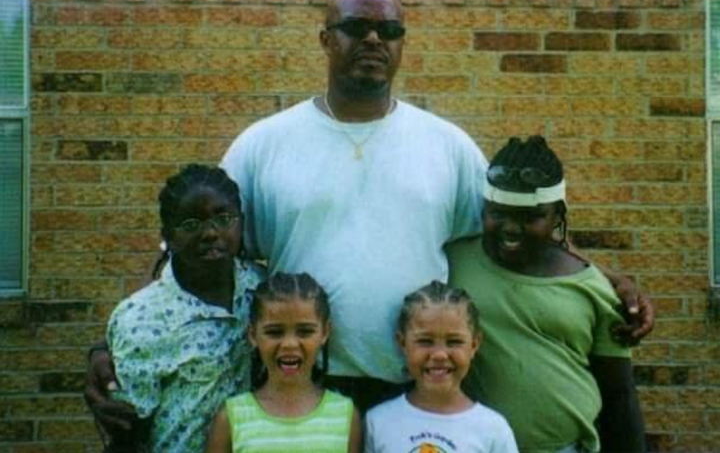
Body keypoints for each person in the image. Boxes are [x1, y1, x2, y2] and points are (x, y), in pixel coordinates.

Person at [85, 0, 654, 434]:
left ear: (404, 43)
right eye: (356, 27)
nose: (374, 40)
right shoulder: (263, 144)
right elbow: (190, 250)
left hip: (418, 386)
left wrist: (606, 281)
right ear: (325, 39)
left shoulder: (447, 146)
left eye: (390, 29)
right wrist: (116, 346)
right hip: (296, 384)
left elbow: (514, 236)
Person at [447, 136, 646, 453]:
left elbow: (619, 393)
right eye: (498, 213)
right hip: (471, 445)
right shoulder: (454, 264)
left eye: (530, 218)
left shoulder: (590, 287)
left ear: (558, 216)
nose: (511, 228)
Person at [102, 165, 266, 453]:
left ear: (241, 222)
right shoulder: (142, 319)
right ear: (169, 235)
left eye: (224, 218)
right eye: (191, 224)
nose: (211, 232)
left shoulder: (263, 292)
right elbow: (127, 434)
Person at [205, 272, 362, 453]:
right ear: (253, 335)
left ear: (325, 333)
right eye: (274, 332)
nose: (289, 344)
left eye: (304, 331)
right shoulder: (231, 418)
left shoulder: (345, 416)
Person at [364, 281, 519, 453]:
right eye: (425, 341)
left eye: (454, 342)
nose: (439, 355)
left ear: (474, 345)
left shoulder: (493, 430)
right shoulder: (378, 422)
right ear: (402, 343)